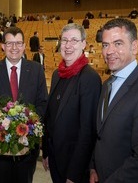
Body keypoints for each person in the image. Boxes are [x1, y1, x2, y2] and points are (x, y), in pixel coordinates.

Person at [89, 18, 138, 183]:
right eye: (105, 45)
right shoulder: (106, 84)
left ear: (134, 46)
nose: (109, 51)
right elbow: (100, 134)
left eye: (118, 43)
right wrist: (93, 166)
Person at [0, 26, 48, 183]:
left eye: (18, 43)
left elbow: (43, 103)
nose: (14, 48)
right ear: (3, 46)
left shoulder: (36, 70)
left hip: (28, 147)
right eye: (9, 43)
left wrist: (31, 126)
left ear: (24, 46)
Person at [42, 23, 101, 183]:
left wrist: (74, 174)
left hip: (74, 165)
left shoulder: (89, 78)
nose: (68, 45)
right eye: (65, 40)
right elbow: (50, 116)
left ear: (83, 44)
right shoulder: (57, 74)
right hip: (55, 157)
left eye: (74, 40)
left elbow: (88, 131)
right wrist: (46, 152)